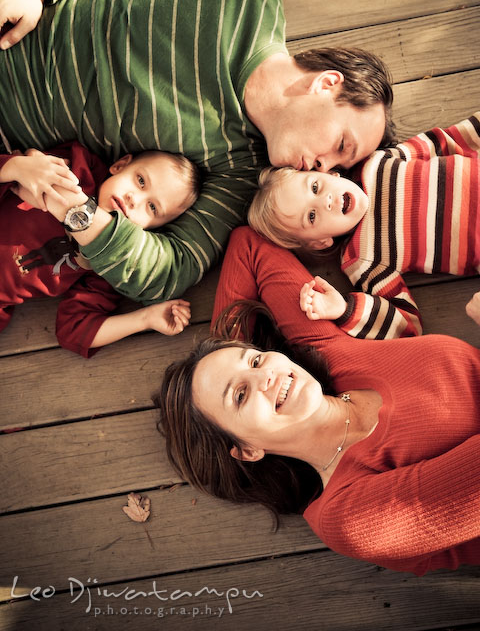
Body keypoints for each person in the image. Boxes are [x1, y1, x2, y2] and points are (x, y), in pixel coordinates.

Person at [0, 0, 395, 304]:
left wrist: (76, 211)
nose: (325, 168)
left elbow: (172, 269)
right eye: (342, 144)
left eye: (339, 168)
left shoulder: (240, 174)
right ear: (327, 84)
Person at [154, 226, 480, 575]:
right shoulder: (347, 515)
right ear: (247, 450)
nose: (265, 376)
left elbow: (249, 247)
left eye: (255, 360)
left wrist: (221, 354)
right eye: (240, 395)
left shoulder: (327, 353)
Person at [247, 113, 480, 338]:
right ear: (320, 242)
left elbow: (446, 141)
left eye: (315, 187)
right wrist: (344, 310)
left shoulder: (376, 162)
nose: (325, 201)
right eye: (311, 216)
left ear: (332, 174)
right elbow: (406, 323)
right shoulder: (362, 258)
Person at [0, 141, 200, 356]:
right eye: (141, 181)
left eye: (152, 207)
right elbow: (17, 173)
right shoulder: (75, 172)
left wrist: (144, 319)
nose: (135, 199)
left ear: (152, 231)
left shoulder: (107, 264)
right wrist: (16, 167)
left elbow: (75, 330)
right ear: (120, 165)